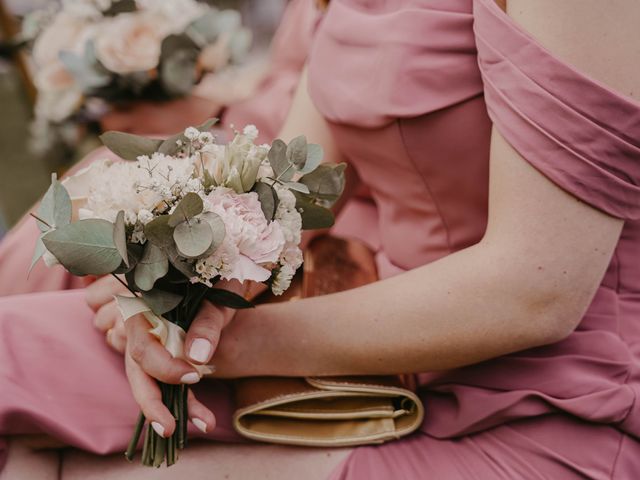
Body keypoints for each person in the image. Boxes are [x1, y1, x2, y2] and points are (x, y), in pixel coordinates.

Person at [2, 0, 640, 478]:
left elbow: (534, 293)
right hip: (373, 349)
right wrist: (177, 305)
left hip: (552, 404)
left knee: (44, 448)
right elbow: (292, 193)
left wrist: (210, 351)